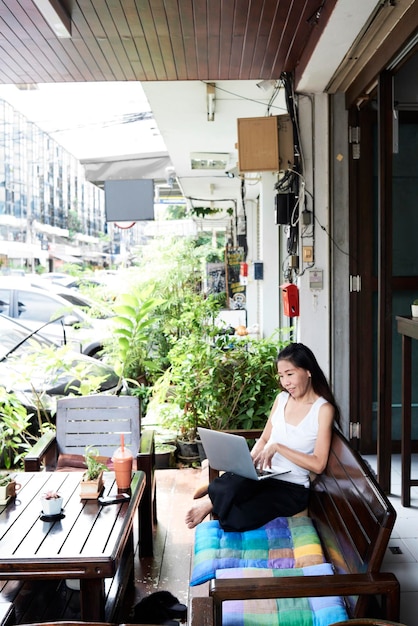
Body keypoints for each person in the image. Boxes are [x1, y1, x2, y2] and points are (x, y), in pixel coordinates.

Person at [185, 342, 341, 532]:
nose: (286, 383)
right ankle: (214, 497)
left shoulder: (323, 409)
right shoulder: (282, 399)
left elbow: (318, 464)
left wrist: (279, 447)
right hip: (264, 474)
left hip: (291, 487)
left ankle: (212, 498)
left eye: (290, 374)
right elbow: (265, 439)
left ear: (308, 371)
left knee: (238, 515)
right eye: (281, 376)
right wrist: (249, 461)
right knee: (231, 485)